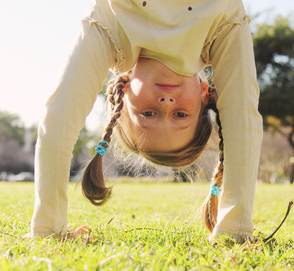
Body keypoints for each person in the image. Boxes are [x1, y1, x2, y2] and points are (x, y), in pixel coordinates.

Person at [30, 0, 262, 242]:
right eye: (181, 115)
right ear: (205, 93)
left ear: (123, 92)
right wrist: (234, 231)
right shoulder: (222, 25)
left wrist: (48, 228)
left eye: (148, 114)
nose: (166, 103)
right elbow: (242, 120)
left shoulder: (112, 23)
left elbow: (60, 116)